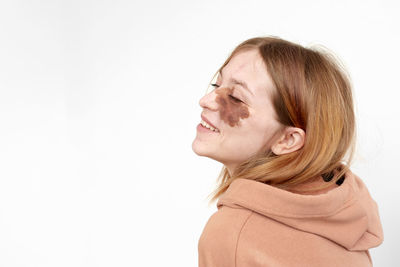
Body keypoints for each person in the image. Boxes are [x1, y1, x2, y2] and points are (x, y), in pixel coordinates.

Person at [192, 36, 384, 267]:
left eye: (235, 97)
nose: (206, 100)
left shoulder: (233, 234)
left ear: (288, 139)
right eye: (216, 85)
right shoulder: (347, 221)